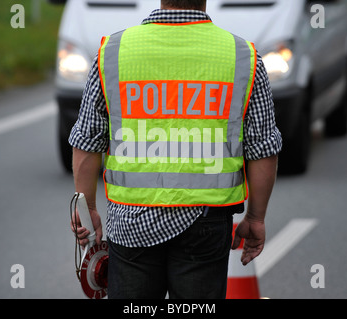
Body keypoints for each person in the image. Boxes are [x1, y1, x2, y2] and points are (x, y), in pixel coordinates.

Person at [70, 0, 282, 299]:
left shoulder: (112, 52)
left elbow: (87, 141)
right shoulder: (242, 56)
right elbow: (262, 148)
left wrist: (88, 208)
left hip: (131, 221)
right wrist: (256, 218)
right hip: (206, 221)